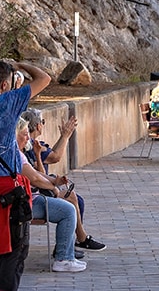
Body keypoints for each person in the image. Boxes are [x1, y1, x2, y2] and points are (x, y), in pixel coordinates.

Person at [0, 59, 51, 291]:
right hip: (8, 185)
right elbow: (44, 79)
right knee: (15, 248)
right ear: (5, 84)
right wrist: (22, 64)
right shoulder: (8, 101)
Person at [20, 108, 106, 252]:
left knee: (75, 199)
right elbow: (50, 162)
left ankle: (72, 243)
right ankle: (71, 246)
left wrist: (55, 182)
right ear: (38, 126)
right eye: (42, 122)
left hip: (41, 190)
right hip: (36, 195)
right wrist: (65, 136)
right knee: (72, 203)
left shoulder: (32, 146)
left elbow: (40, 171)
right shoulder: (28, 147)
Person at [16, 117, 85, 273]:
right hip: (24, 204)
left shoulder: (18, 153)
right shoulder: (15, 154)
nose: (28, 138)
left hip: (26, 200)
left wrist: (55, 180)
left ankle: (73, 248)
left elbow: (36, 174)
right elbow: (34, 179)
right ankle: (63, 258)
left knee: (73, 200)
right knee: (68, 210)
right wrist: (53, 187)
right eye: (24, 134)